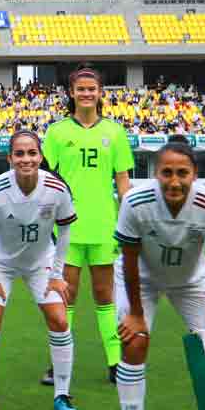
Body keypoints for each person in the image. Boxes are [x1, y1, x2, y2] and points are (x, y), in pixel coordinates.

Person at [113, 136, 205, 410]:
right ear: (156, 173)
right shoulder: (135, 202)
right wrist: (136, 313)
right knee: (135, 342)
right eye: (167, 172)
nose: (174, 181)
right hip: (142, 279)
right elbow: (128, 259)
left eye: (182, 173)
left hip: (193, 280)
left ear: (194, 174)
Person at [0, 130, 80, 410]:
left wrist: (57, 275)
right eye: (19, 154)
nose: (26, 159)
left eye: (32, 153)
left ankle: (62, 395)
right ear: (10, 158)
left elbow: (66, 230)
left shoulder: (57, 187)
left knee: (59, 318)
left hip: (40, 262)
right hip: (0, 264)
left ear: (40, 156)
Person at [41, 64, 134, 386]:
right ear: (71, 93)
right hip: (66, 229)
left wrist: (129, 219)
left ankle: (115, 362)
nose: (86, 93)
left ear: (100, 94)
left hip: (104, 227)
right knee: (65, 297)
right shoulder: (56, 132)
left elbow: (123, 182)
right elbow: (45, 179)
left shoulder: (115, 132)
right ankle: (59, 365)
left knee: (104, 296)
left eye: (91, 89)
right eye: (80, 89)